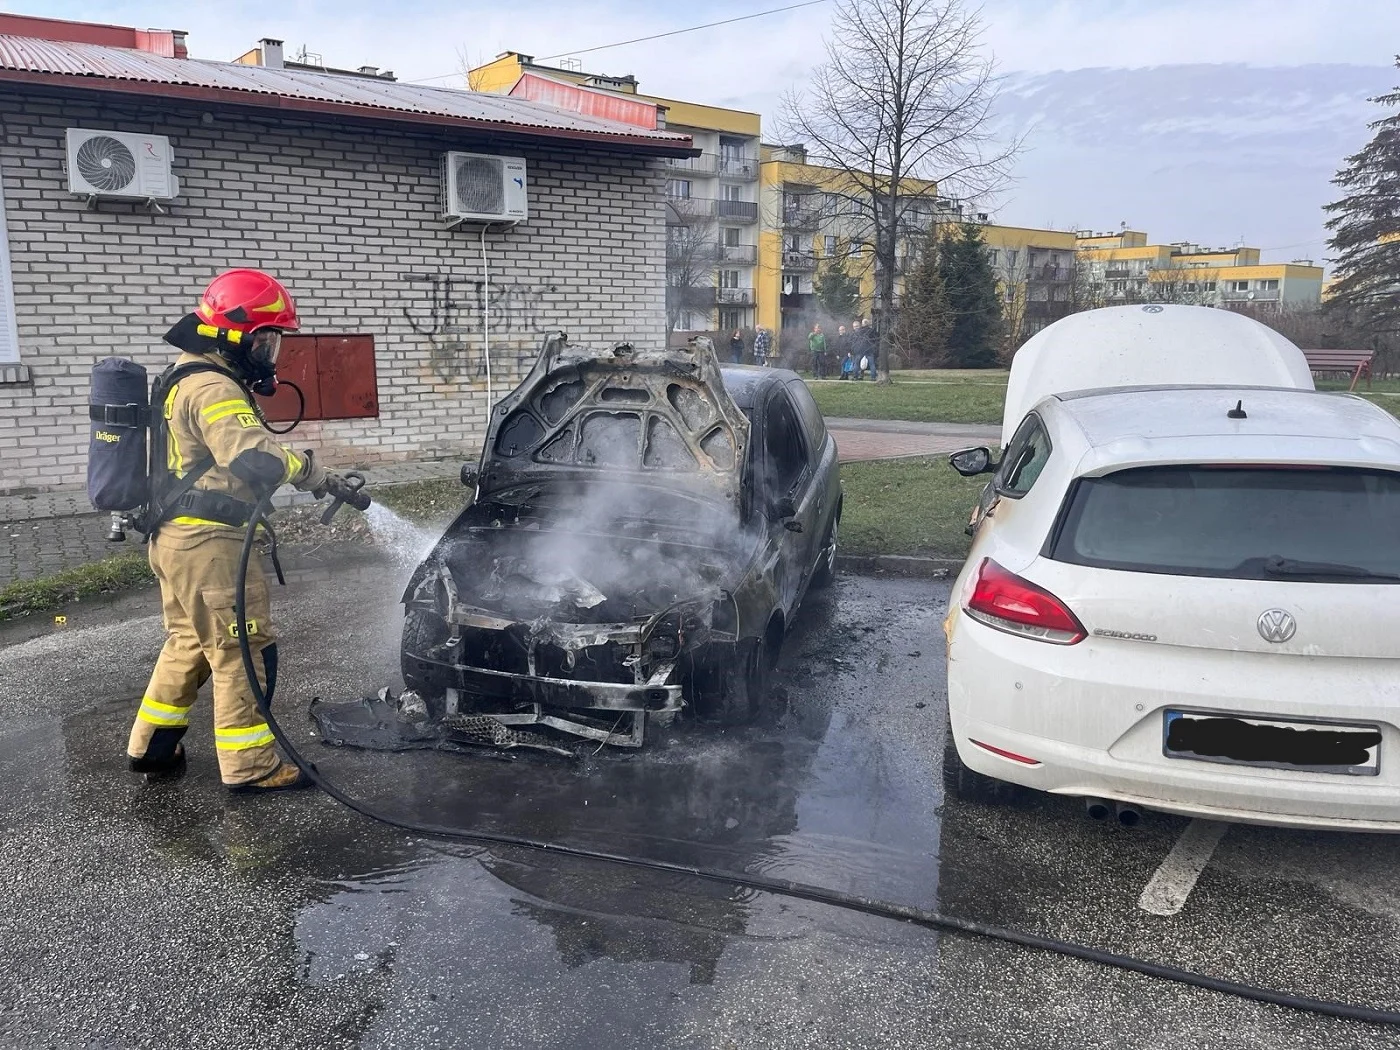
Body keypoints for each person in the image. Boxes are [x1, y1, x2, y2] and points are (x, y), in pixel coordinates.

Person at [126, 269, 346, 794]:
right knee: (244, 652)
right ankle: (252, 768)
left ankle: (152, 747)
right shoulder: (212, 386)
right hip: (209, 545)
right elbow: (251, 456)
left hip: (174, 540)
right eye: (266, 340)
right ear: (233, 335)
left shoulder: (185, 373)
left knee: (188, 642)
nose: (271, 353)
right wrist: (314, 472)